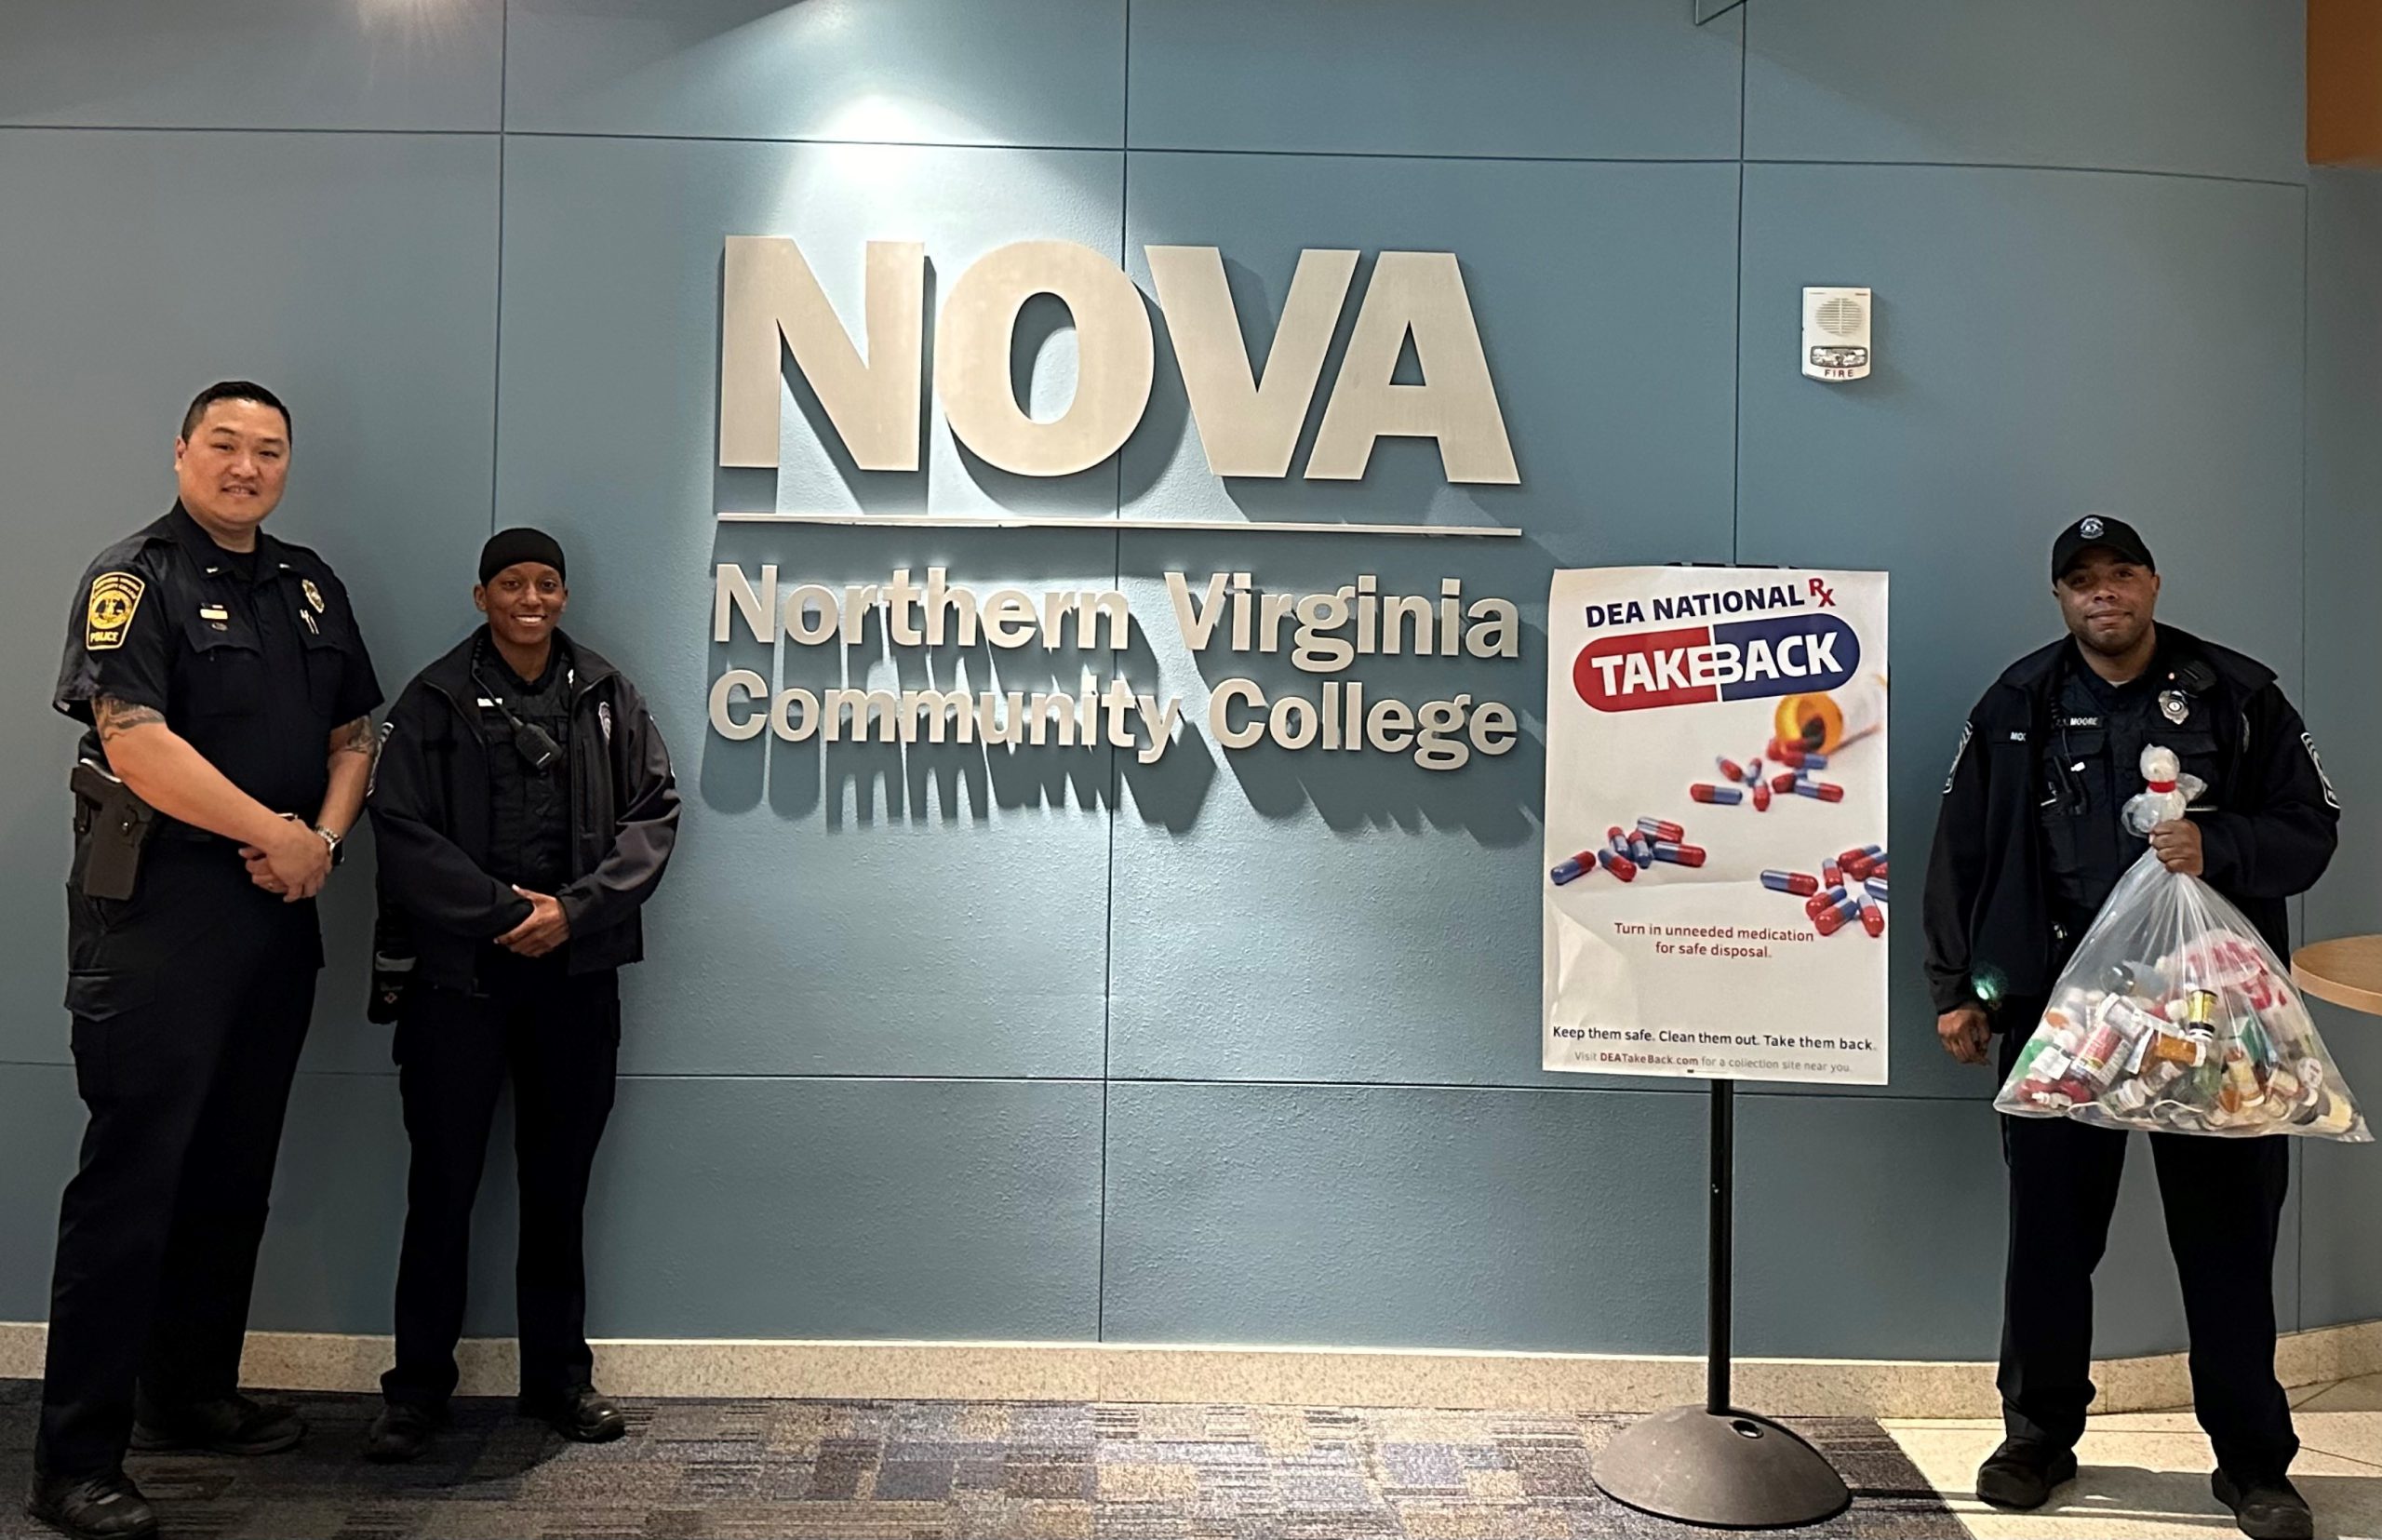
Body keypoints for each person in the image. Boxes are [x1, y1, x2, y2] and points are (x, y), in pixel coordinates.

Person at [1924, 516, 2339, 1540]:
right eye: (2080, 580)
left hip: (2211, 1019)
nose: (2101, 593)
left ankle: (2252, 1463)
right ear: (2059, 597)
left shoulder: (2237, 695)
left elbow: (2310, 827)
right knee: (2050, 1240)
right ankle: (2036, 1434)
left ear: (2150, 582)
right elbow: (1960, 850)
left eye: (2118, 573)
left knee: (2229, 1242)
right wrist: (1955, 986)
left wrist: (2223, 842)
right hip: (2062, 1015)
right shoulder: (2017, 702)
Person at [28, 382, 381, 1540]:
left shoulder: (309, 581)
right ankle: (76, 1457)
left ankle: (188, 1394)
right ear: (181, 449)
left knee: (233, 1172)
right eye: (224, 444)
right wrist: (272, 834)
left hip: (278, 915)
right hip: (159, 921)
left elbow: (355, 732)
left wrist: (321, 839)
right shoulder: (136, 577)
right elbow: (137, 741)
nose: (245, 466)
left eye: (268, 450)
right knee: (131, 1185)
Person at [360, 529, 679, 1462]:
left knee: (557, 1188)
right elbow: (402, 828)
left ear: (564, 596)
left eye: (545, 582)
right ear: (481, 594)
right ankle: (415, 1390)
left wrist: (573, 913)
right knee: (442, 1188)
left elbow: (653, 814)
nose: (529, 596)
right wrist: (504, 910)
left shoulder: (609, 696)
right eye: (511, 582)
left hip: (573, 981)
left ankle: (558, 1380)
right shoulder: (433, 699)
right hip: (459, 982)